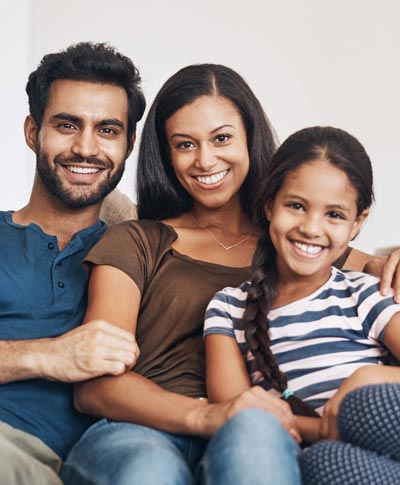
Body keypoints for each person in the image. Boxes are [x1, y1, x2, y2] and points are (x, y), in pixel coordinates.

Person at [61, 65, 400, 484]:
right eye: (185, 144)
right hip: (143, 430)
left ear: (250, 139)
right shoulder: (138, 240)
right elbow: (95, 386)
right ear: (166, 154)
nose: (206, 160)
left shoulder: (293, 240)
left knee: (256, 434)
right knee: (150, 472)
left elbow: (367, 265)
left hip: (254, 430)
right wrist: (208, 414)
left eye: (222, 138)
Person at [203, 126, 400, 482]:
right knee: (327, 462)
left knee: (365, 404)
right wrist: (327, 428)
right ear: (268, 205)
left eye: (334, 215)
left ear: (358, 222)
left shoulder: (366, 293)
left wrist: (370, 375)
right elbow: (238, 415)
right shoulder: (229, 309)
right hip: (342, 465)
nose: (311, 228)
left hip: (387, 436)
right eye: (296, 206)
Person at [0, 41, 145, 484]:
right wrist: (45, 356)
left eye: (107, 130)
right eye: (67, 125)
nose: (86, 148)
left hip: (96, 459)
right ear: (32, 132)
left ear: (129, 143)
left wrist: (367, 264)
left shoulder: (140, 250)